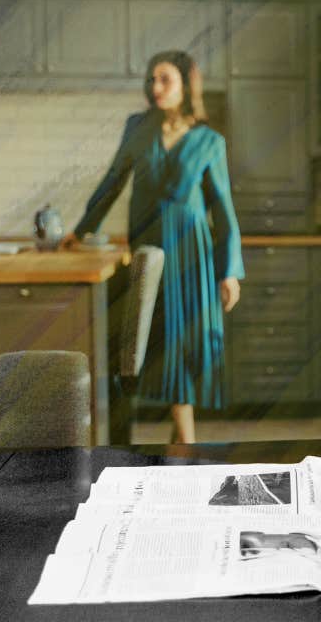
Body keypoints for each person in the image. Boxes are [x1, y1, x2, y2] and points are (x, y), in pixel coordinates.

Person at [68, 50, 244, 444]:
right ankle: (181, 444)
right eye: (151, 79)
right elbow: (113, 183)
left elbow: (223, 210)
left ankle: (185, 443)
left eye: (164, 79)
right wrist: (81, 231)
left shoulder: (208, 141)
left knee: (183, 343)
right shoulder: (138, 128)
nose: (155, 87)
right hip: (150, 256)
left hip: (193, 256)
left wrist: (229, 269)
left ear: (185, 85)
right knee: (155, 344)